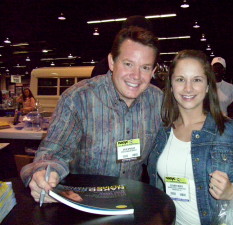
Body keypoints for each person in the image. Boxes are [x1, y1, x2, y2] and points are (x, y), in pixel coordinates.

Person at [20, 26, 163, 204]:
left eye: (145, 67)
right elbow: (53, 152)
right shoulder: (78, 98)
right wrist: (44, 173)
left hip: (133, 202)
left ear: (154, 70)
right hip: (83, 203)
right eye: (128, 64)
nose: (136, 75)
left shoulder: (158, 101)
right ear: (112, 62)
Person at [147, 50, 233, 225]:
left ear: (208, 86)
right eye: (180, 79)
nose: (188, 88)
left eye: (197, 80)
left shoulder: (231, 131)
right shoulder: (162, 132)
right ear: (171, 86)